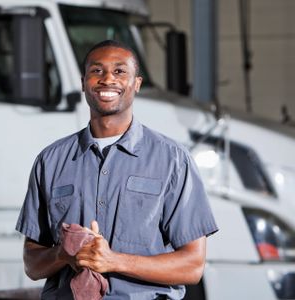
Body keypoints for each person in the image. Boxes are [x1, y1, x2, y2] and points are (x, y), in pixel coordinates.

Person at [16, 40, 218, 300]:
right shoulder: (51, 161)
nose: (107, 79)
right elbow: (32, 264)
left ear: (136, 84)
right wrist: (63, 254)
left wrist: (113, 260)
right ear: (83, 82)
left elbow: (192, 266)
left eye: (120, 71)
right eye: (97, 71)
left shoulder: (173, 160)